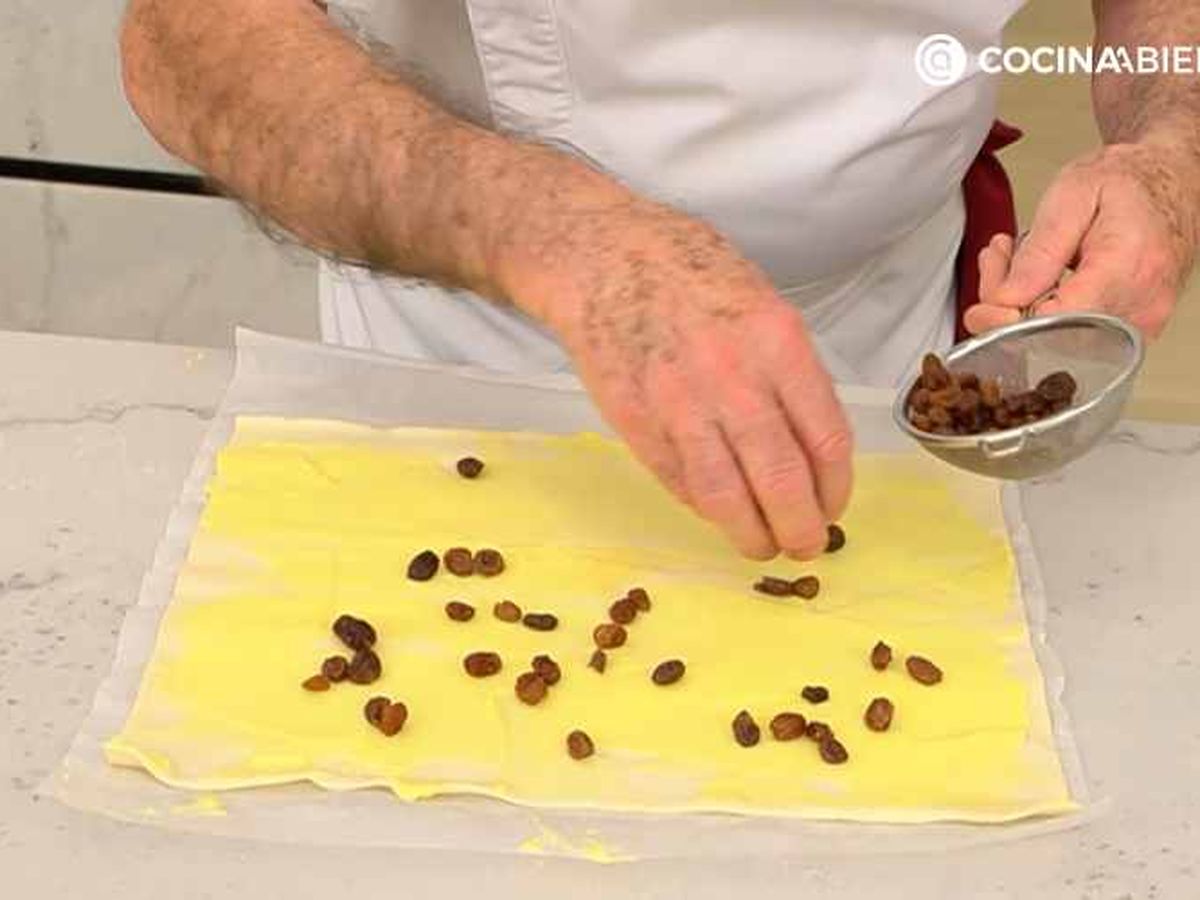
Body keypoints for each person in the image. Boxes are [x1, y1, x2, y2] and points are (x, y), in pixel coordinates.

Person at [119, 1, 1198, 559]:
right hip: (479, 362)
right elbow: (186, 35)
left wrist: (1172, 138)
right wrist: (566, 236)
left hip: (895, 336)